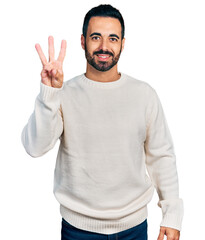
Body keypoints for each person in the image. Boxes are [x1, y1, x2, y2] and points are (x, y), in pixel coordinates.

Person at [21, 4, 184, 240]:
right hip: (78, 230)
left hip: (134, 228)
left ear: (123, 43)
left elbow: (162, 157)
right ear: (82, 41)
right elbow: (34, 147)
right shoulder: (63, 94)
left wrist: (172, 214)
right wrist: (49, 94)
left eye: (113, 38)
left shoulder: (144, 94)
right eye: (96, 37)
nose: (104, 47)